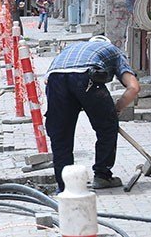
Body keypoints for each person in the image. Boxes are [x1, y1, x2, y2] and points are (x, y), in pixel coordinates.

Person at [45, 35, 140, 191]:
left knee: (60, 135)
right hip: (87, 77)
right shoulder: (114, 51)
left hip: (56, 78)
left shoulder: (71, 49)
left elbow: (48, 81)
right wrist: (115, 110)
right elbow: (133, 87)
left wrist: (74, 102)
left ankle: (65, 186)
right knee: (107, 128)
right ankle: (102, 176)